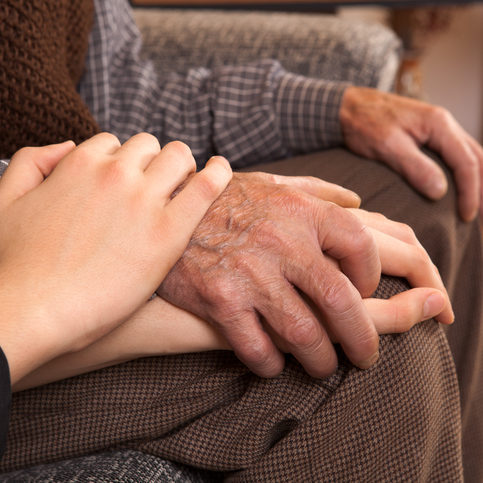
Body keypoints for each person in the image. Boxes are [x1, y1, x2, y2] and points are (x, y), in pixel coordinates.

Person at [0, 0, 481, 480]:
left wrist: (334, 108)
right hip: (27, 277)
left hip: (91, 207)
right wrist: (170, 224)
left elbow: (124, 100)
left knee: (433, 182)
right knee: (368, 335)